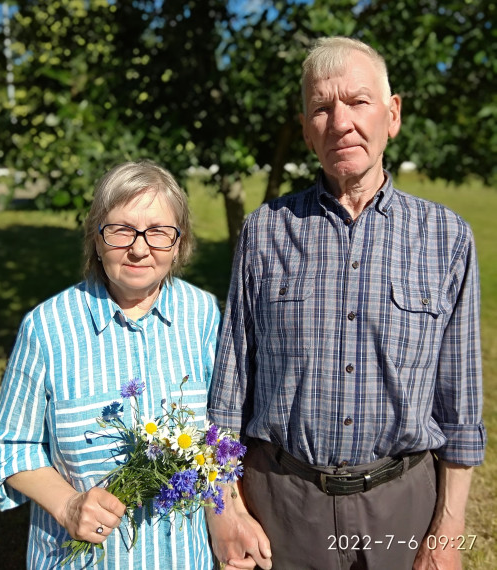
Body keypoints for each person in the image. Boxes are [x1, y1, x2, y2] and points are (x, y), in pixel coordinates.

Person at [206, 37, 486, 570]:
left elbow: (461, 404)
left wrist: (448, 529)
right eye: (321, 108)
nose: (341, 123)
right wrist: (223, 508)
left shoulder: (447, 238)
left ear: (392, 113)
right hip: (282, 507)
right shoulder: (265, 232)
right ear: (307, 129)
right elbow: (229, 389)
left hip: (403, 505)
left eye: (358, 102)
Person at [0, 160, 221, 569]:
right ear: (96, 239)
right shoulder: (48, 328)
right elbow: (9, 447)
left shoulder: (202, 315)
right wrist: (69, 506)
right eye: (121, 230)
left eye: (159, 232)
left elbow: (222, 437)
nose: (140, 248)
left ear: (179, 244)